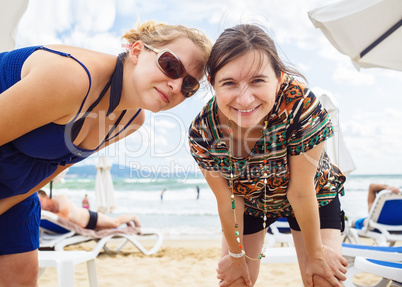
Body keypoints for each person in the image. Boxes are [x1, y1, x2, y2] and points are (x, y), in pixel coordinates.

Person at [0, 20, 212, 286]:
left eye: (189, 85)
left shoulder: (133, 122)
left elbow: (55, 169)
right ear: (136, 51)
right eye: (171, 66)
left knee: (21, 279)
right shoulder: (73, 78)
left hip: (17, 190)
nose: (176, 85)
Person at [188, 24, 348, 287]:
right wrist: (237, 255)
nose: (244, 98)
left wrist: (316, 254)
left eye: (257, 81)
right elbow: (228, 200)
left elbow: (300, 192)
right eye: (229, 83)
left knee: (322, 278)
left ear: (279, 77)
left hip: (312, 194)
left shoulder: (301, 105)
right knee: (237, 279)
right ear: (212, 84)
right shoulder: (202, 132)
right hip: (249, 200)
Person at [38, 190, 141, 229]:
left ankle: (132, 217)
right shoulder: (49, 212)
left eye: (40, 201)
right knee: (111, 227)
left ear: (47, 197)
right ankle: (128, 223)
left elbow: (64, 217)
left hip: (91, 218)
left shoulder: (60, 199)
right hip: (84, 226)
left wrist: (44, 212)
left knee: (115, 223)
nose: (39, 204)